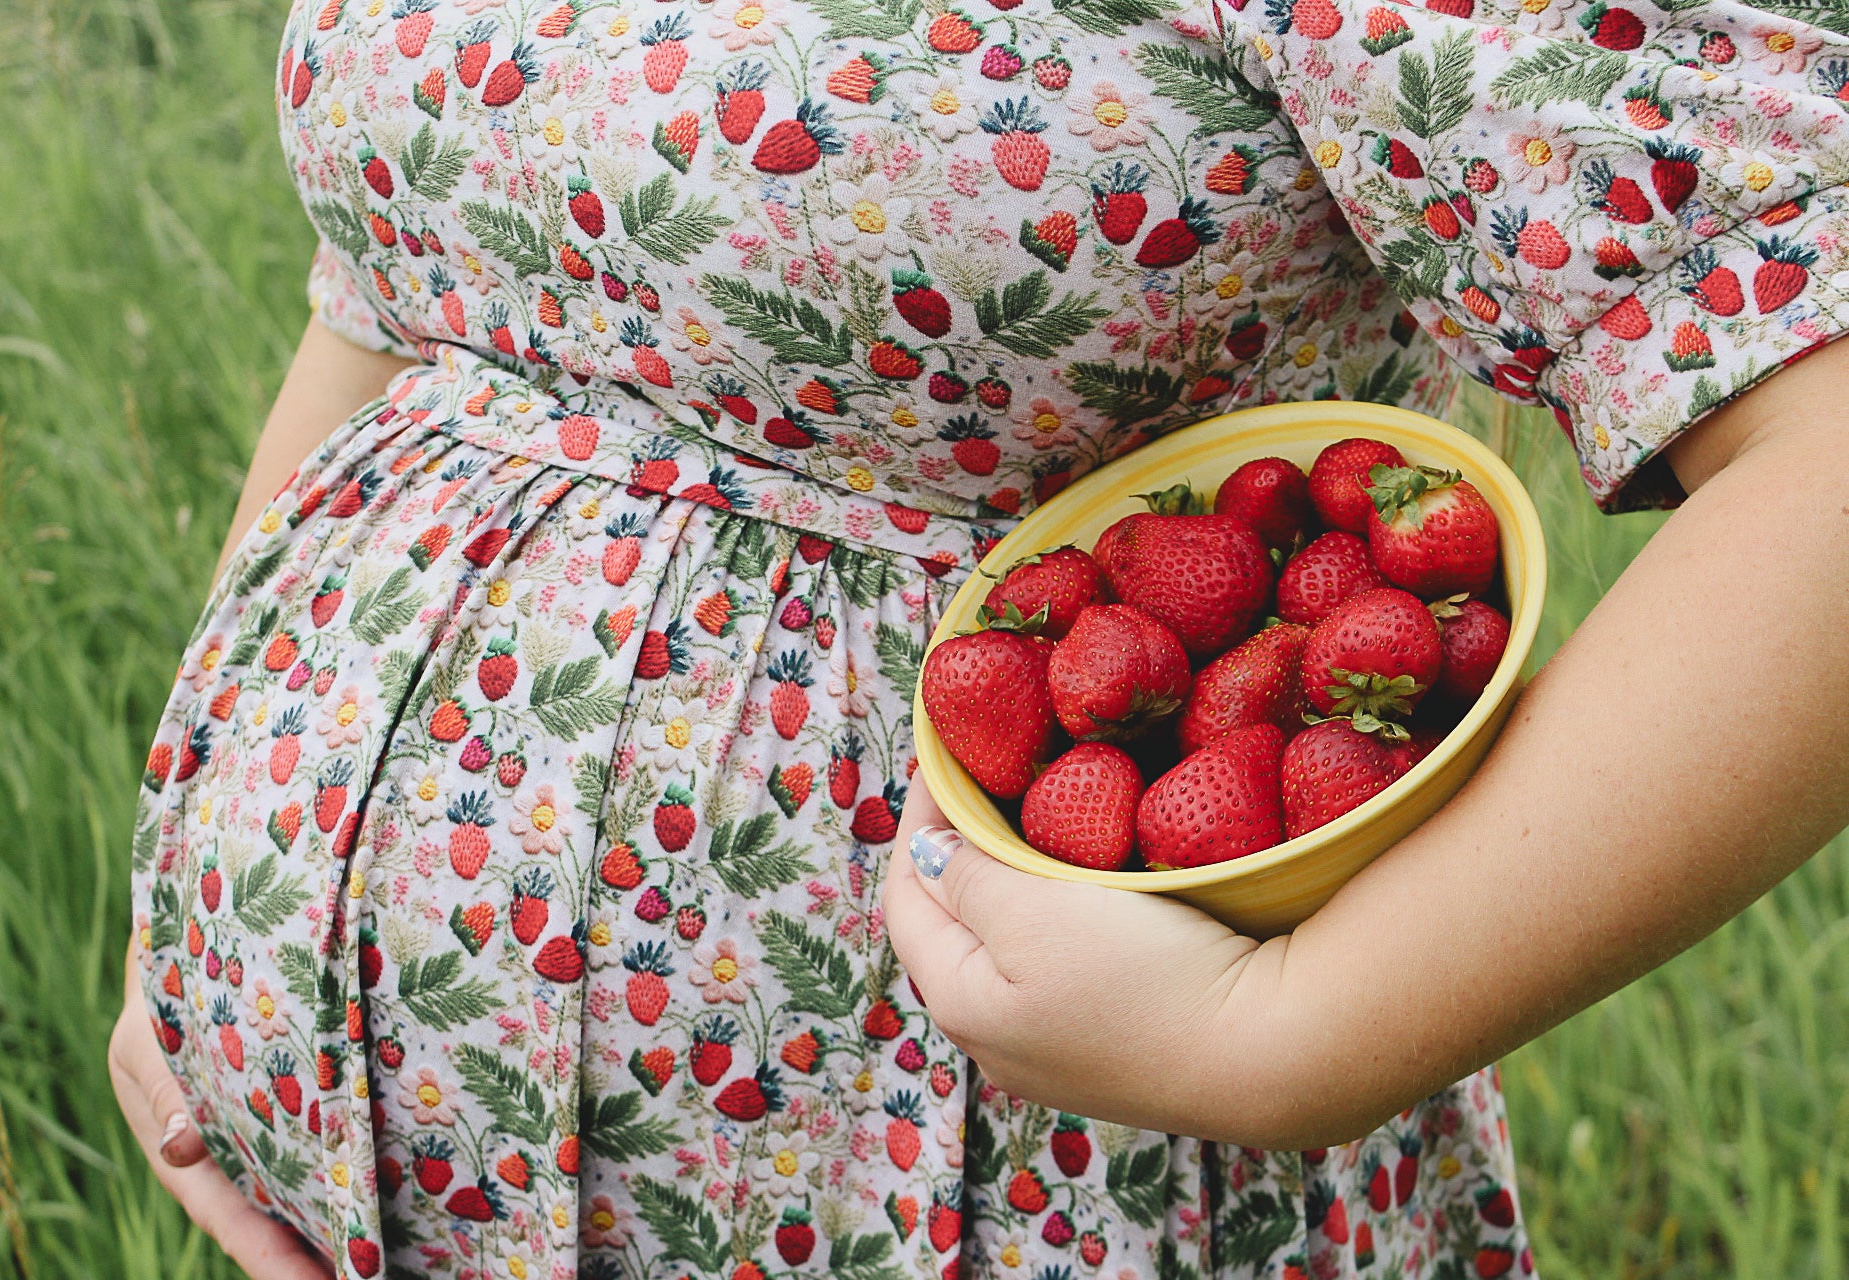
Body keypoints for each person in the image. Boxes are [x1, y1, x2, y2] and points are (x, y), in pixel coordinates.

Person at [105, 0, 1849, 1274]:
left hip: (960, 1172)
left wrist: (1289, 1034)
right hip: (358, 1185)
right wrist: (192, 920)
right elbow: (404, 300)